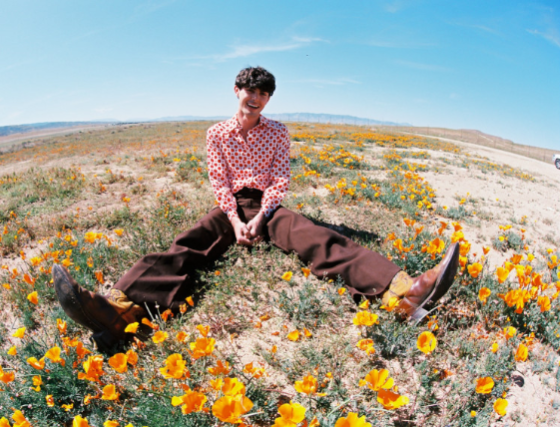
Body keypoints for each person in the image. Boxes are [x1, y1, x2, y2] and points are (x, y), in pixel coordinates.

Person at [53, 66, 459, 352]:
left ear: (268, 98)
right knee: (188, 244)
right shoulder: (216, 133)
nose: (257, 99)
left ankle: (401, 293)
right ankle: (118, 311)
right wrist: (234, 221)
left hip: (267, 205)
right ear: (236, 91)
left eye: (264, 94)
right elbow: (219, 181)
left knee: (317, 238)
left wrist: (262, 217)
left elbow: (279, 180)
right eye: (251, 91)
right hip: (232, 205)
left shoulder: (278, 132)